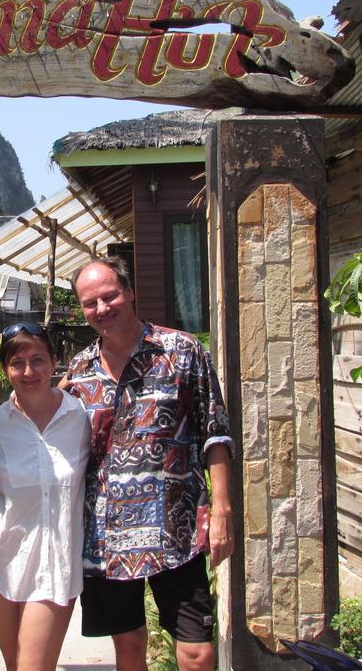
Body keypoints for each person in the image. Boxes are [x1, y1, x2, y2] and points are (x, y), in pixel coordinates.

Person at [65, 257, 235, 671]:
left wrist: (223, 507)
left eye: (110, 296)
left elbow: (215, 432)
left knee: (197, 649)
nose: (102, 308)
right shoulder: (79, 372)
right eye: (91, 303)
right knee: (128, 647)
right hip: (105, 534)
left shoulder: (182, 351)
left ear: (130, 291)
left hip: (176, 527)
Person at [0, 322, 90, 671]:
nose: (28, 371)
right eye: (17, 363)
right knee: (15, 665)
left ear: (55, 362)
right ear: (5, 370)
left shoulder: (81, 418)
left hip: (56, 566)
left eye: (37, 360)